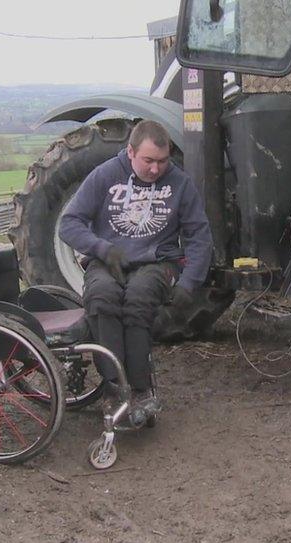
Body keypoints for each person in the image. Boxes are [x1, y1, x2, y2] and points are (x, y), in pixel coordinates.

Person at [58, 120, 212, 413]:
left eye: (162, 161)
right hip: (109, 259)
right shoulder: (104, 176)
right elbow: (69, 223)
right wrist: (102, 248)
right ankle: (114, 386)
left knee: (138, 300)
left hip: (158, 262)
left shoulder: (180, 183)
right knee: (102, 298)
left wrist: (189, 282)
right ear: (130, 152)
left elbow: (199, 236)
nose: (156, 169)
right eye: (148, 161)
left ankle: (141, 389)